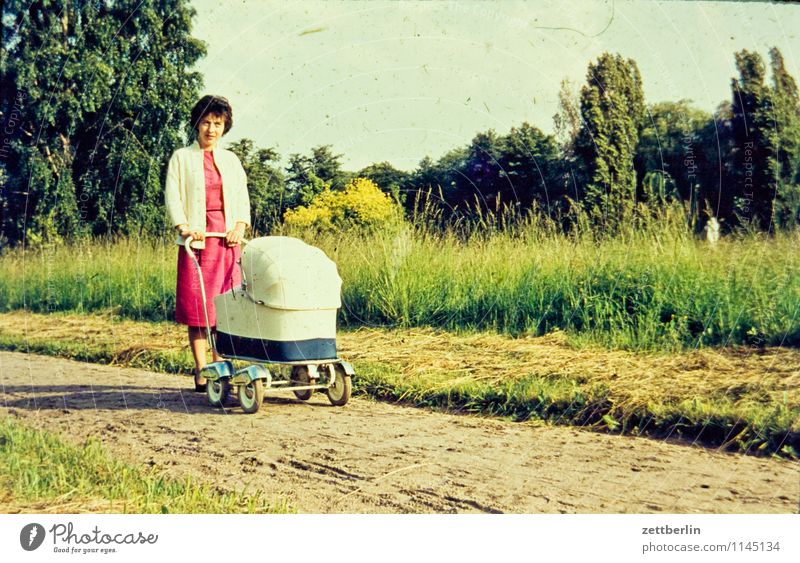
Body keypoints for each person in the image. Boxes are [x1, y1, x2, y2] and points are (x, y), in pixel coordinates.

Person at [164, 95, 250, 391]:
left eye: (217, 123)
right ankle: (203, 370)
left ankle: (221, 366)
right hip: (197, 242)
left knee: (224, 310)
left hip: (226, 240)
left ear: (224, 127)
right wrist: (185, 227)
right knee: (198, 309)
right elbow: (173, 195)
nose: (211, 129)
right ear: (196, 123)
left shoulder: (231, 160)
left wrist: (239, 226)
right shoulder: (182, 158)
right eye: (206, 122)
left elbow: (241, 197)